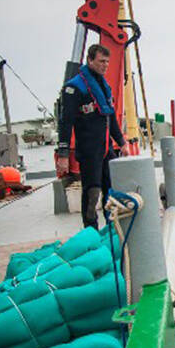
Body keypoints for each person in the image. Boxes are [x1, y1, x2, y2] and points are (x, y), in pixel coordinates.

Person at [56, 44, 129, 229]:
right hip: (89, 151)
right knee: (92, 193)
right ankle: (91, 231)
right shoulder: (74, 88)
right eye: (101, 61)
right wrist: (63, 154)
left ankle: (112, 229)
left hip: (106, 149)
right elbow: (65, 122)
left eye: (107, 62)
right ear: (90, 60)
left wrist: (122, 142)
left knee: (110, 191)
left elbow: (110, 117)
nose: (105, 65)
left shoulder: (103, 87)